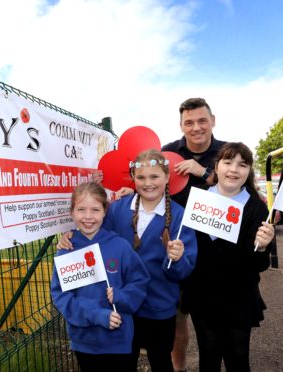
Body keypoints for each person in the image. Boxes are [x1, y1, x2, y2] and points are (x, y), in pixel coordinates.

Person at [114, 97, 226, 372]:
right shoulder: (167, 153)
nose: (196, 127)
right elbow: (101, 240)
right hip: (128, 303)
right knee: (134, 350)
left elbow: (241, 185)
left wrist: (206, 173)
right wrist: (72, 240)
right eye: (189, 122)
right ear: (181, 125)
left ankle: (182, 368)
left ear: (212, 121)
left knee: (198, 330)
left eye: (202, 120)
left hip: (209, 257)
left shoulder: (227, 153)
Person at [60, 149, 198, 371]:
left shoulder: (180, 216)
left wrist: (178, 258)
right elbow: (95, 238)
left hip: (159, 307)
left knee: (161, 361)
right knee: (125, 362)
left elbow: (183, 271)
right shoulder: (118, 209)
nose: (148, 183)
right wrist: (70, 239)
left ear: (166, 177)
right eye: (141, 177)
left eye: (155, 176)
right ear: (133, 178)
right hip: (123, 306)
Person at [183, 142, 275, 372]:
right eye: (228, 162)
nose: (234, 169)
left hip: (239, 298)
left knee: (238, 358)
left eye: (242, 164)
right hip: (202, 296)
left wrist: (262, 247)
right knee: (208, 356)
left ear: (249, 171)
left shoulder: (256, 208)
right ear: (216, 166)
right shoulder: (198, 199)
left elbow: (260, 265)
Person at [50, 182, 151, 372]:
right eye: (81, 209)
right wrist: (96, 315)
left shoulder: (120, 246)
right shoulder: (66, 250)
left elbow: (140, 282)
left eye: (95, 210)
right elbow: (61, 295)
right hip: (84, 341)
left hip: (119, 340)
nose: (88, 217)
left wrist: (121, 297)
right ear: (72, 212)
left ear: (105, 211)